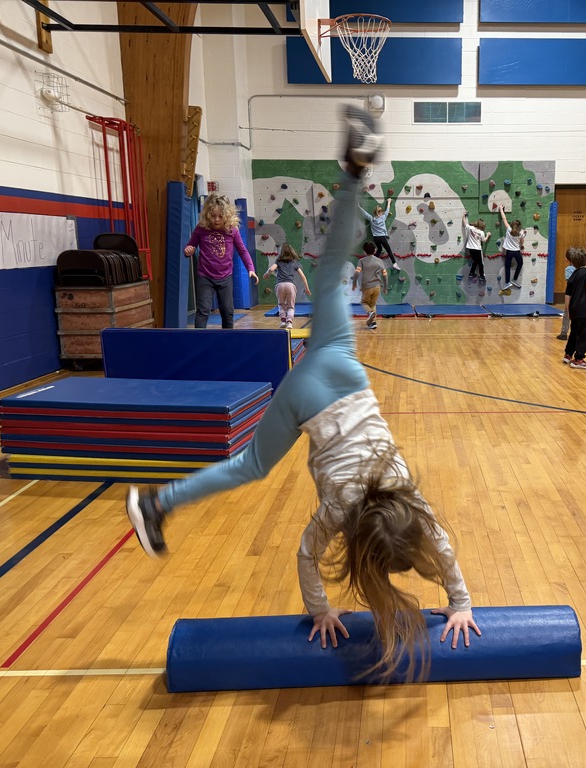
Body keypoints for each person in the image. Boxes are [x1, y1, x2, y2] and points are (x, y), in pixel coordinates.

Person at [127, 106, 480, 681]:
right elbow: (310, 557)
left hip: (340, 369)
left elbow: (439, 549)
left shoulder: (414, 503)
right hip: (311, 398)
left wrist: (460, 597)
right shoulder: (342, 513)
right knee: (250, 465)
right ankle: (155, 502)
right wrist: (325, 610)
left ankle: (353, 171)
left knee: (332, 267)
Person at [184, 194, 259, 329]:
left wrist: (251, 269)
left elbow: (242, 250)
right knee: (203, 310)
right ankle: (198, 342)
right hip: (205, 276)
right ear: (207, 215)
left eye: (220, 216)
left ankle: (228, 339)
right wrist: (188, 250)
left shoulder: (232, 230)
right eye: (213, 216)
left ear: (227, 215)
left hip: (225, 277)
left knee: (228, 311)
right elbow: (191, 245)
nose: (217, 220)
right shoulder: (201, 228)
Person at [557, 251, 586, 344]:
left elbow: (569, 283)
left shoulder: (569, 269)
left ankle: (564, 333)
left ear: (568, 260)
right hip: (585, 297)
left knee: (567, 312)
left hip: (574, 296)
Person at [264, 242, 311, 329]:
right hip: (290, 285)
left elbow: (271, 269)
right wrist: (307, 288)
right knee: (290, 306)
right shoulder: (294, 262)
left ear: (281, 252)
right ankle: (289, 322)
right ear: (291, 252)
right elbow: (303, 277)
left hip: (280, 285)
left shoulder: (278, 261)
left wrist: (266, 274)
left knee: (281, 304)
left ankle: (283, 321)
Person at [358, 196, 400, 269]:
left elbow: (364, 213)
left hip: (375, 238)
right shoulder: (383, 217)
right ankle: (394, 263)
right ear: (379, 213)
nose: (383, 213)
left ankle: (371, 261)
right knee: (388, 250)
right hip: (382, 237)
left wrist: (358, 207)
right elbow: (387, 210)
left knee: (380, 249)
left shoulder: (372, 219)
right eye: (382, 212)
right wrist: (389, 201)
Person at [353, 241, 388, 331]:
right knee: (372, 304)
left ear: (364, 251)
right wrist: (385, 287)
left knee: (364, 302)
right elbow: (384, 274)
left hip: (367, 286)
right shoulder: (379, 261)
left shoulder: (362, 261)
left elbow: (357, 273)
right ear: (375, 250)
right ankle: (372, 323)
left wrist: (354, 283)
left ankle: (370, 313)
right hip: (377, 286)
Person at [498, 209, 525, 291]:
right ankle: (514, 279)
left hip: (509, 251)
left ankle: (507, 282)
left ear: (512, 225)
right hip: (516, 251)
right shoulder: (520, 233)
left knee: (507, 266)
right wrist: (522, 237)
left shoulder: (509, 229)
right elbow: (521, 243)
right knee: (520, 263)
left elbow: (504, 219)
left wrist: (501, 209)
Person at [461, 212, 490, 283]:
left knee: (475, 261)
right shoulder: (482, 232)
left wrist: (463, 215)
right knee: (481, 263)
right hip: (477, 249)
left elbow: (464, 223)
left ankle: (471, 273)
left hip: (470, 248)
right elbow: (484, 240)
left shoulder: (471, 228)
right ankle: (482, 277)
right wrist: (488, 235)